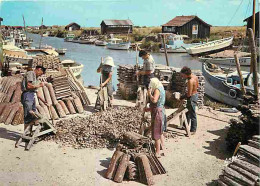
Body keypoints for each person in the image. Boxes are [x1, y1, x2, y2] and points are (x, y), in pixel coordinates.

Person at [144, 78, 166, 158]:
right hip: (159, 110)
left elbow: (154, 100)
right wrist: (149, 109)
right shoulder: (161, 87)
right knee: (160, 131)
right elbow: (159, 103)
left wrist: (149, 93)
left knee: (156, 132)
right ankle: (162, 147)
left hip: (158, 112)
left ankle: (157, 152)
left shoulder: (157, 89)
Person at [21, 66, 47, 131]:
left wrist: (44, 101)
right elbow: (29, 86)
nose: (41, 75)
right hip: (27, 94)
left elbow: (37, 93)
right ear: (39, 69)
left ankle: (29, 132)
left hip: (32, 95)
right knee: (28, 114)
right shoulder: (30, 73)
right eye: (41, 73)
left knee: (32, 115)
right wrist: (39, 85)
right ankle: (26, 133)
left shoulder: (36, 78)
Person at [180, 66, 199, 135]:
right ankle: (186, 126)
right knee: (187, 112)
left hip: (192, 98)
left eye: (183, 75)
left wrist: (181, 97)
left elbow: (189, 94)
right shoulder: (195, 77)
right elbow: (197, 86)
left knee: (192, 114)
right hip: (195, 94)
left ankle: (193, 130)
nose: (182, 77)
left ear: (185, 74)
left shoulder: (190, 81)